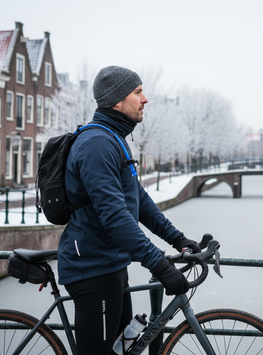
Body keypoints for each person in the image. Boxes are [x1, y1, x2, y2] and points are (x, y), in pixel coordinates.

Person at [57, 65, 201, 355]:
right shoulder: (97, 144)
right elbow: (114, 215)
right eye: (138, 92)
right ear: (117, 101)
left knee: (123, 350)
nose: (145, 99)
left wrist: (178, 239)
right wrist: (159, 265)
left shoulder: (114, 139)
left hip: (111, 265)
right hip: (92, 269)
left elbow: (139, 200)